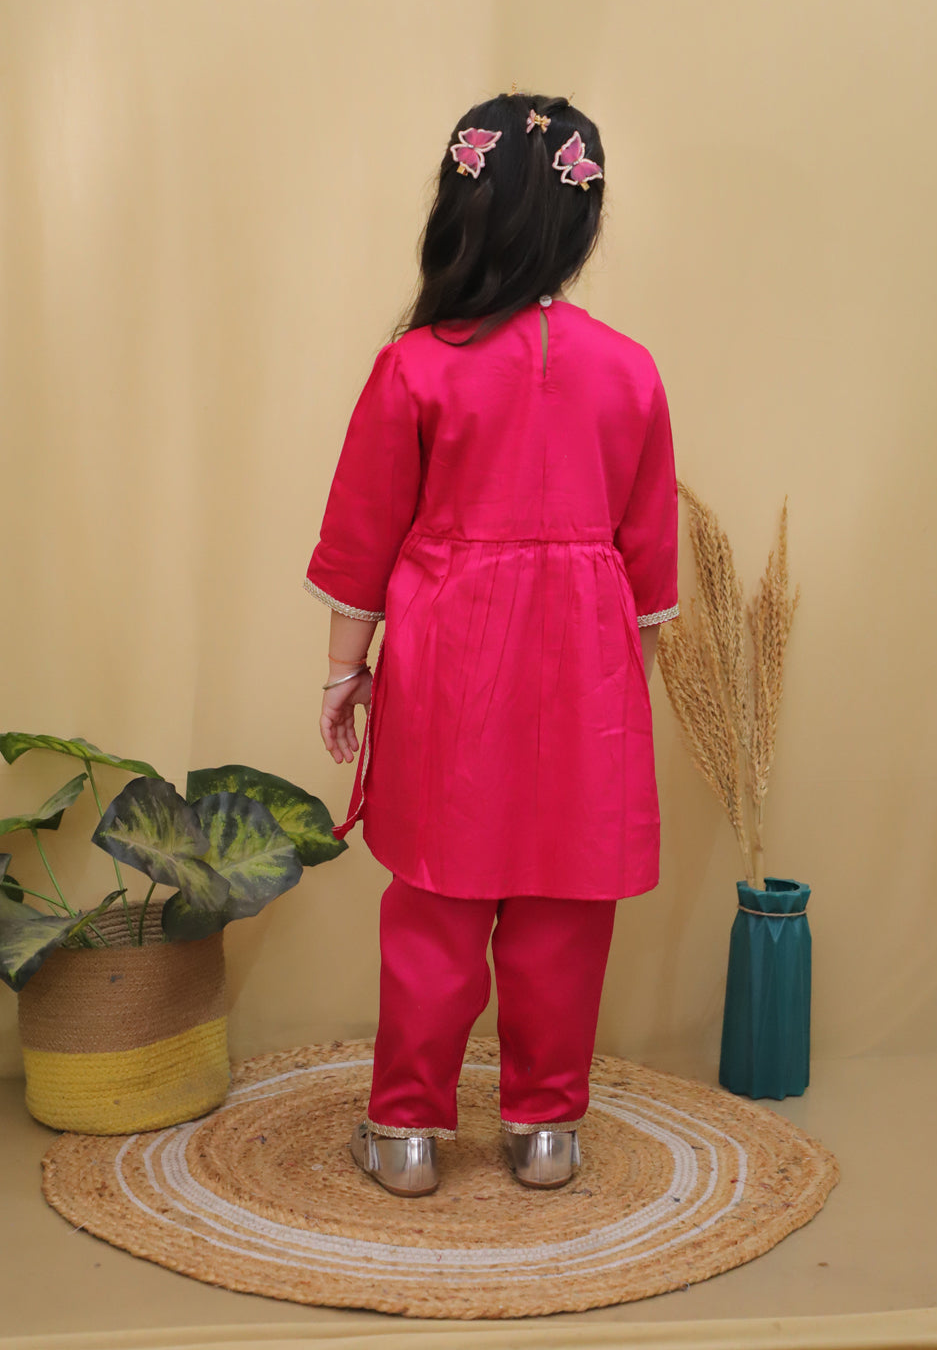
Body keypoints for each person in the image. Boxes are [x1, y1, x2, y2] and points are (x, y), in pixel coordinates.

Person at [304, 91, 679, 1198]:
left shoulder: (416, 366)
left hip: (451, 664)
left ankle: (407, 1134)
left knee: (437, 900)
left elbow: (363, 534)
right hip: (588, 671)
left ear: (461, 210)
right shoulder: (631, 370)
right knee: (566, 905)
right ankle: (545, 1132)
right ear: (581, 221)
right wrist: (621, 700)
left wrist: (343, 672)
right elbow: (649, 564)